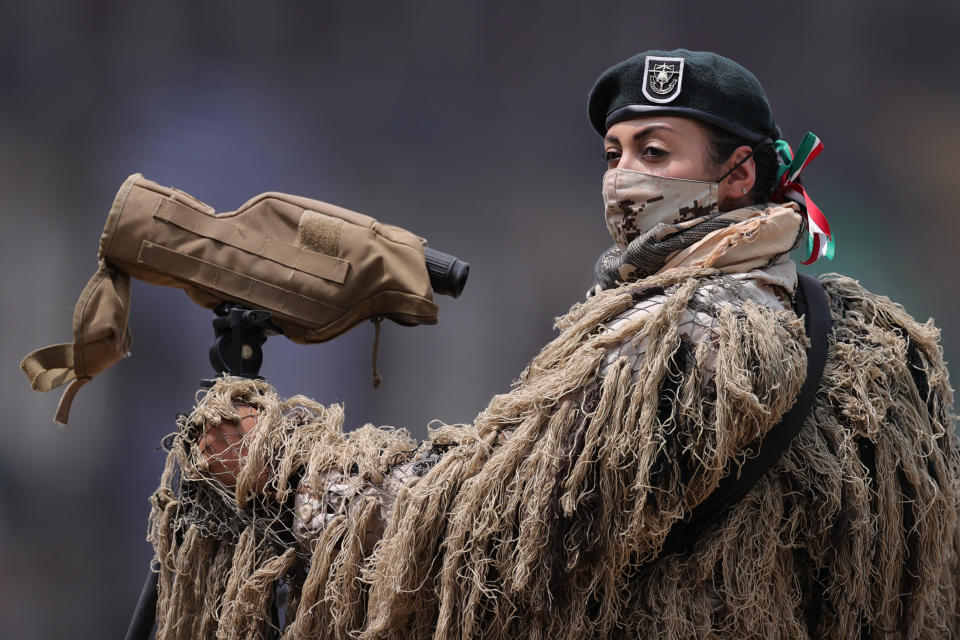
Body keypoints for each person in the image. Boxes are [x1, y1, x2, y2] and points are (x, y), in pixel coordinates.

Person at [149, 50, 960, 639]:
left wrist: (279, 463)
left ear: (738, 176)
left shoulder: (688, 339)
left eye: (655, 153)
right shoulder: (857, 333)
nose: (624, 178)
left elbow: (491, 536)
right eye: (614, 154)